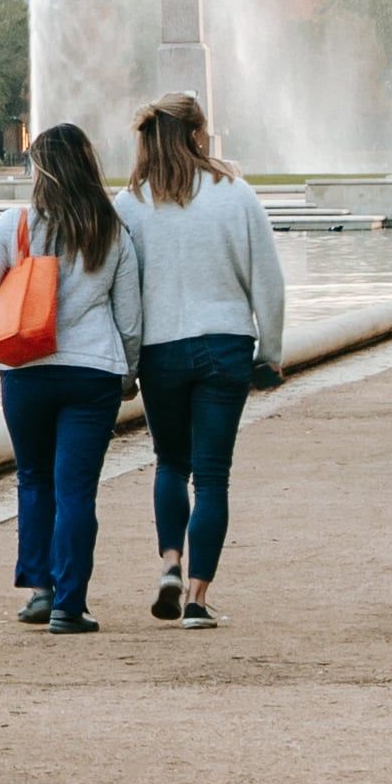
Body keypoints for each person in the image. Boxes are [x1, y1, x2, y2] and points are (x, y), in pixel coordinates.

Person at [114, 94, 284, 632]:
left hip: (161, 347)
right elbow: (268, 282)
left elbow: (123, 292)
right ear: (196, 135)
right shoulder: (235, 194)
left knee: (170, 462)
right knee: (212, 477)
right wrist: (271, 353)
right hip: (225, 340)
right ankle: (197, 598)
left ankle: (169, 562)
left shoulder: (130, 203)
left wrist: (128, 360)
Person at [0, 122, 142, 635]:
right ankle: (71, 604)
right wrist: (129, 373)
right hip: (92, 373)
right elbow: (129, 318)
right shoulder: (110, 231)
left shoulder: (13, 225)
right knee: (77, 490)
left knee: (34, 478)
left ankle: (40, 591)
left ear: (39, 169)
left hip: (25, 371)